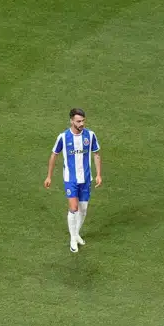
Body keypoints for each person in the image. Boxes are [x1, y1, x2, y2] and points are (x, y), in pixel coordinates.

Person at [44, 107, 102, 253]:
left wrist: (99, 174)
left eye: (83, 120)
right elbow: (54, 155)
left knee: (84, 209)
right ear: (71, 121)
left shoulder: (90, 135)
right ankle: (72, 239)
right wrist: (49, 176)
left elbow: (96, 154)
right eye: (78, 121)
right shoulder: (63, 137)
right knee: (74, 208)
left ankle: (76, 234)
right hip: (70, 179)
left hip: (86, 179)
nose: (81, 123)